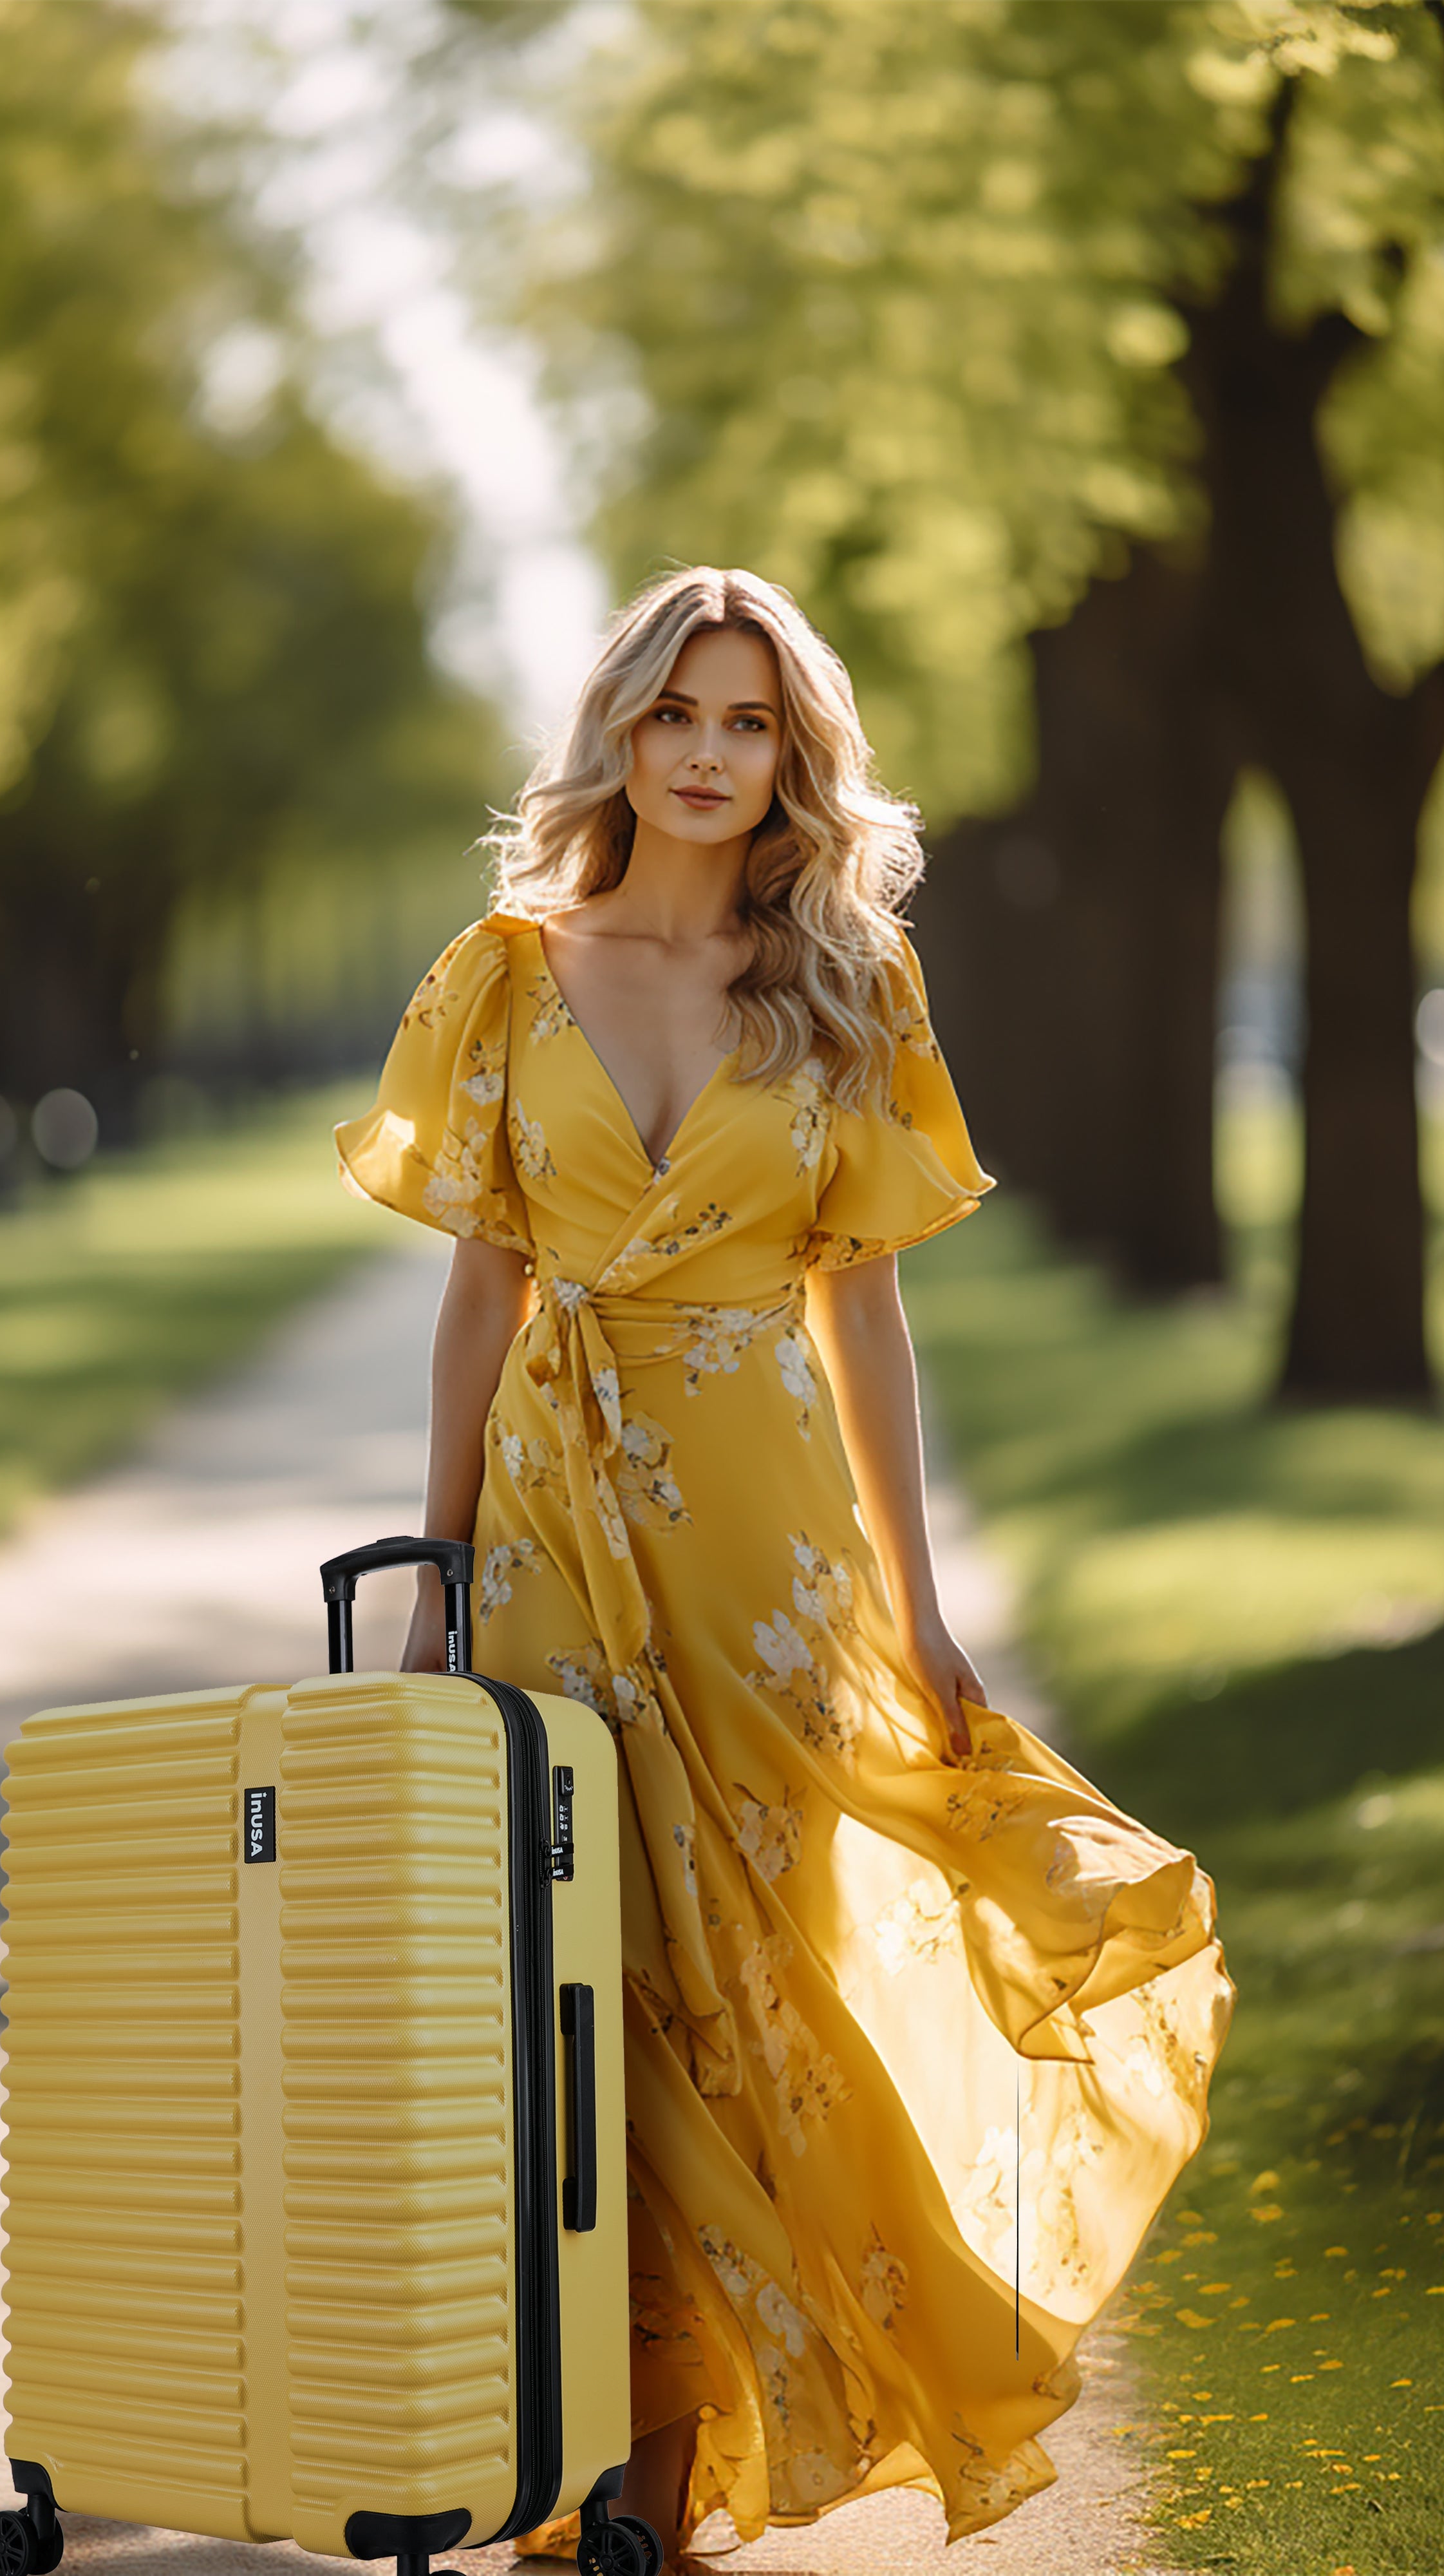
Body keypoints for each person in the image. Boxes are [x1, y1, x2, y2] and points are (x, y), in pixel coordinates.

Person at [336, 565, 1231, 2567]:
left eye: (748, 722)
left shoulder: (849, 980)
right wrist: (436, 1577)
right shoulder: (506, 972)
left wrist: (920, 1612)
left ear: (790, 754)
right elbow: (481, 1293)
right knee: (592, 1990)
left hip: (769, 1557)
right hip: (558, 1541)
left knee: (750, 2001)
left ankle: (656, 2493)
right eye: (678, 714)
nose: (710, 754)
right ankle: (629, 2478)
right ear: (620, 733)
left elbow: (868, 1316)